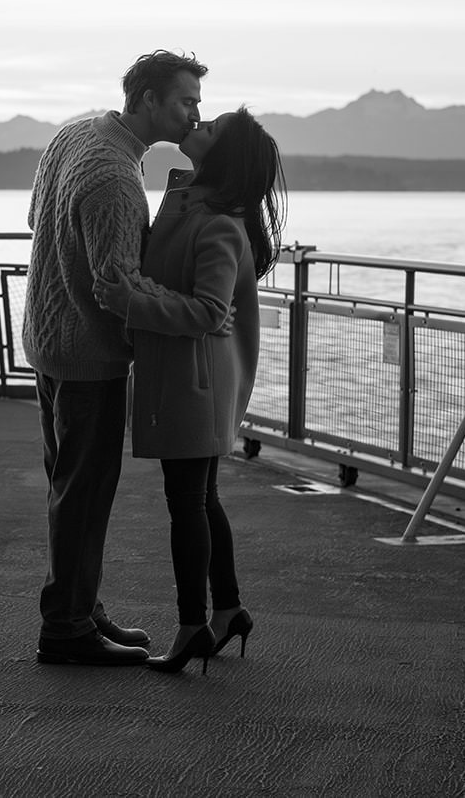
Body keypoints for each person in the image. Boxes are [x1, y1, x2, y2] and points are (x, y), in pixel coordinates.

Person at [23, 49, 206, 666]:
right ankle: (68, 627)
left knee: (66, 486)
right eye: (185, 101)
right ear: (148, 99)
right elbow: (115, 284)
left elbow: (35, 221)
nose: (194, 114)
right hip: (87, 357)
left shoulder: (72, 134)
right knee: (84, 493)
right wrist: (189, 315)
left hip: (47, 342)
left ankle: (79, 605)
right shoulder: (118, 180)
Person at [93, 107, 286, 674]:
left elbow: (206, 310)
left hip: (194, 382)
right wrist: (138, 289)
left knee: (188, 505)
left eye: (211, 128)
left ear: (220, 156)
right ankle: (226, 611)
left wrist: (130, 301)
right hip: (190, 376)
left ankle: (191, 625)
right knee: (202, 500)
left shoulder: (218, 223)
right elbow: (188, 295)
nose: (197, 125)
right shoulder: (188, 204)